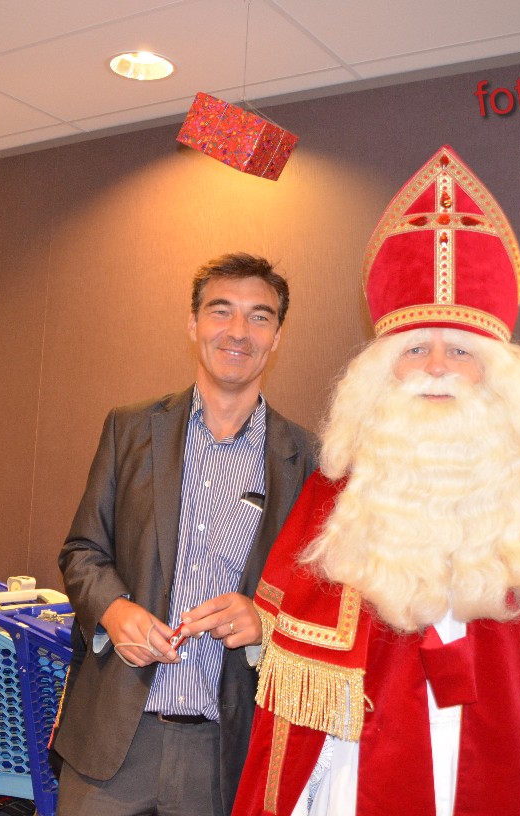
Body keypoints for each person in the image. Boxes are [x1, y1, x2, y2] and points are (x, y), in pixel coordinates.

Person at [231, 146, 520, 816]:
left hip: (512, 775)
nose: (436, 365)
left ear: (496, 374)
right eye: (415, 348)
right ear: (381, 372)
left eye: (460, 349)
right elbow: (294, 709)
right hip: (359, 777)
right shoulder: (335, 501)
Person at [55, 252, 318, 816]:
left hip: (224, 753)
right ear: (193, 324)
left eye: (259, 317)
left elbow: (321, 600)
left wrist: (265, 622)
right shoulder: (129, 429)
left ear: (277, 337)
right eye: (221, 311)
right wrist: (113, 611)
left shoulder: (307, 460)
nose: (238, 331)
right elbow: (82, 551)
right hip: (114, 741)